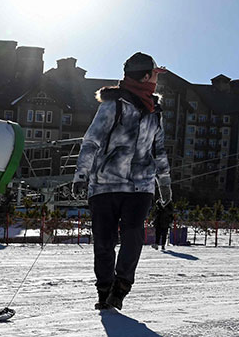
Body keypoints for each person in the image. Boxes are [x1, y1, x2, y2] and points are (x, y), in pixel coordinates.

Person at [71, 52, 171, 310]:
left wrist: (165, 184)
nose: (155, 83)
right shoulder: (112, 105)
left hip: (140, 186)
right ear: (147, 76)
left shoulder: (154, 111)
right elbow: (91, 141)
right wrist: (81, 175)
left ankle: (122, 286)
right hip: (105, 184)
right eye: (154, 77)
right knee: (104, 242)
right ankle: (104, 290)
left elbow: (158, 150)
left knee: (132, 237)